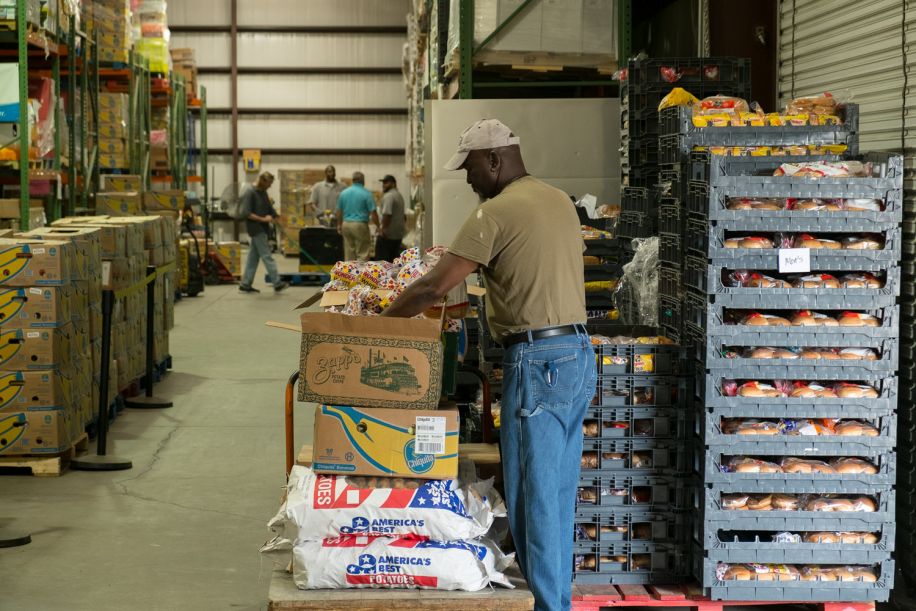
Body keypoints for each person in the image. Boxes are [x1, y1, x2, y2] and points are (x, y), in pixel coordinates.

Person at [381, 119, 595, 611]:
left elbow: (433, 287)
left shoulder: (493, 213)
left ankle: (550, 607)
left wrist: (381, 324)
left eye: (471, 167)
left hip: (537, 360)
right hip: (578, 356)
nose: (468, 179)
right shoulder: (559, 200)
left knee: (533, 498)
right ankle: (556, 597)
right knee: (558, 494)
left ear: (495, 160)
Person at [239, 172, 289, 293]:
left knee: (253, 258)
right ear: (263, 181)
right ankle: (277, 282)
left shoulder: (263, 192)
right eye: (269, 183)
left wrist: (276, 217)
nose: (270, 186)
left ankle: (245, 284)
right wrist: (263, 219)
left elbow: (268, 207)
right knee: (267, 256)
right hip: (256, 229)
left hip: (263, 228)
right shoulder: (249, 192)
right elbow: (245, 213)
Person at [336, 171, 379, 261]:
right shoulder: (366, 194)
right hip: (360, 225)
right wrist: (378, 226)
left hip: (346, 224)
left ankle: (350, 274)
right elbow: (373, 212)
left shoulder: (344, 193)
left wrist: (339, 225)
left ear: (353, 180)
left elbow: (339, 212)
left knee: (349, 253)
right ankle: (361, 274)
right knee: (362, 253)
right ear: (363, 181)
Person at [375, 174, 406, 262]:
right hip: (397, 235)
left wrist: (383, 229)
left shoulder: (389, 196)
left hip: (387, 236)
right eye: (383, 183)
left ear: (393, 184)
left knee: (382, 263)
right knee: (393, 262)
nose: (383, 185)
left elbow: (387, 214)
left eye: (386, 183)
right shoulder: (399, 195)